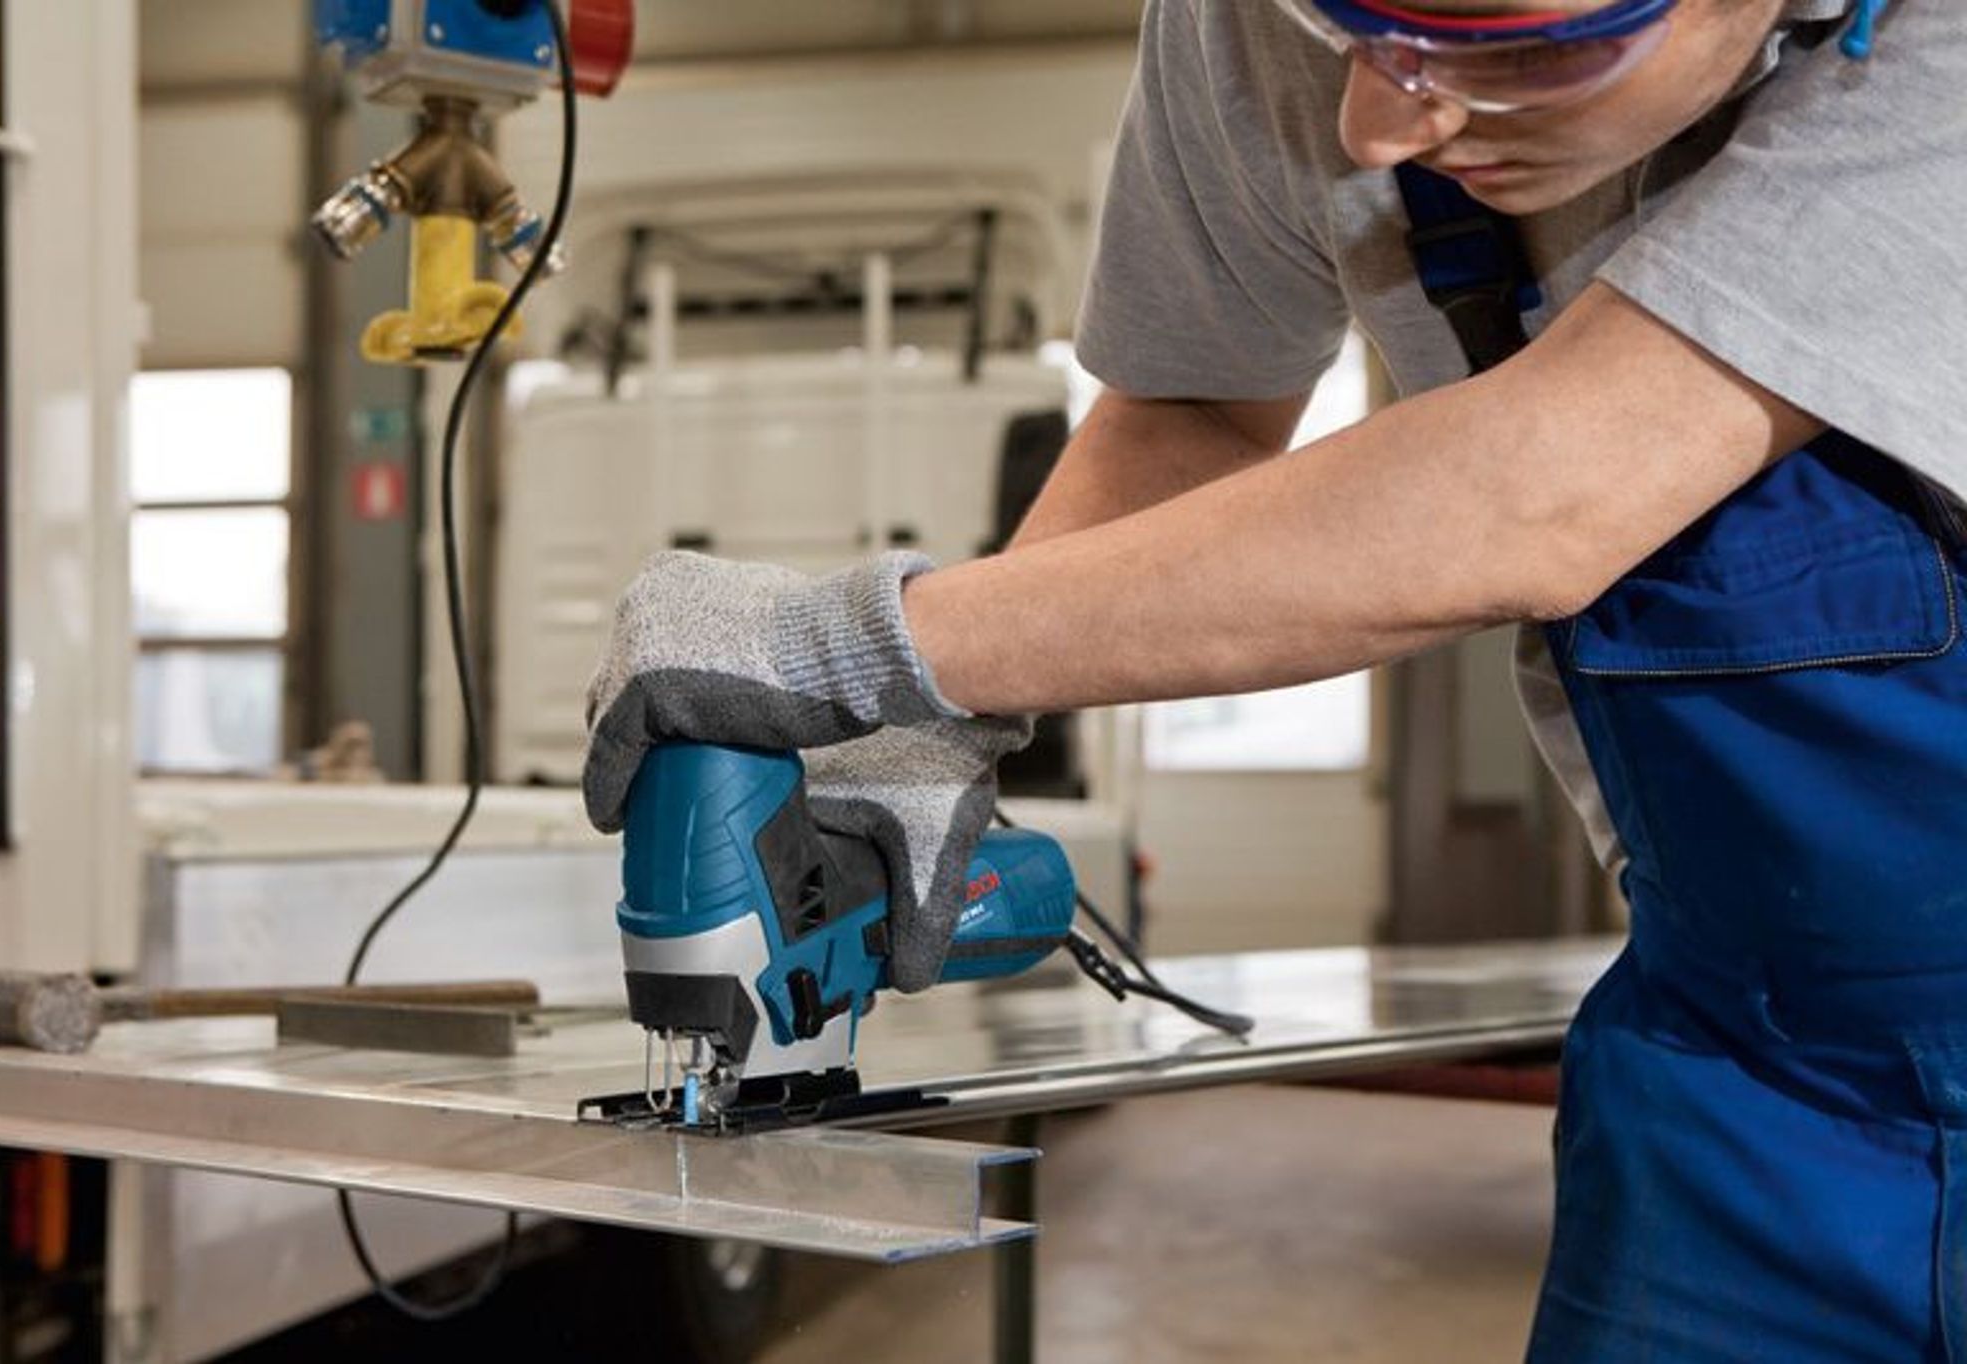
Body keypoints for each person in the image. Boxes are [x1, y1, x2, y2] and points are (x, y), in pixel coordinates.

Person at [584, 0, 1967, 1356]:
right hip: (1730, 1073)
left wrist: (863, 648)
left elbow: (1549, 489)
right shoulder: (1250, 17)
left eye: (1500, 51)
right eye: (1346, 32)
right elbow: (1196, 406)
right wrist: (939, 730)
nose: (1372, 125)